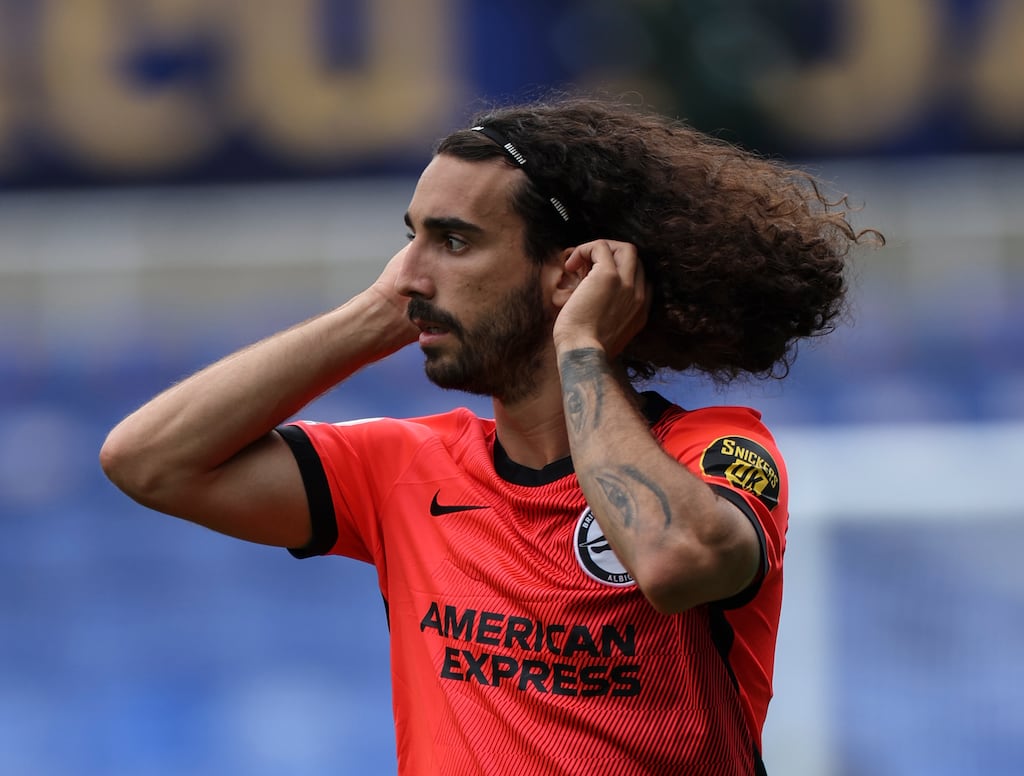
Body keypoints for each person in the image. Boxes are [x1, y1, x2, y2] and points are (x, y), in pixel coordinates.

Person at [100, 94, 880, 775]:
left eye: (454, 241)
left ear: (571, 274)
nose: (410, 271)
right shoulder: (401, 469)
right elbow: (147, 461)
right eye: (411, 237)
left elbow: (673, 560)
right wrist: (383, 311)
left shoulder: (713, 451)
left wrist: (583, 345)